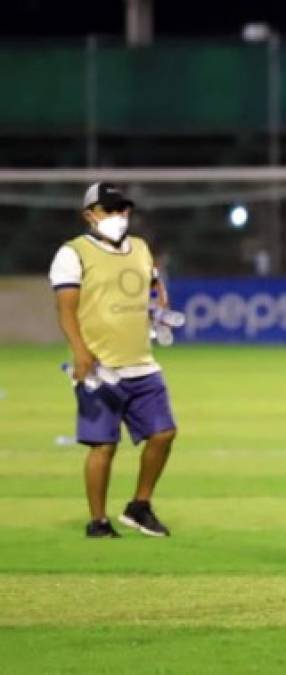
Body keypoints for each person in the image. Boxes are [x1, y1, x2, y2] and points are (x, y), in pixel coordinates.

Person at [48, 182, 178, 538]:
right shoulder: (72, 253)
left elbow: (155, 291)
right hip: (100, 367)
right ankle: (98, 522)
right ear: (90, 215)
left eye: (123, 209)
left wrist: (158, 313)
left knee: (164, 434)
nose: (119, 216)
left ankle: (139, 506)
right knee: (103, 446)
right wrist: (79, 352)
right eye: (110, 209)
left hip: (142, 362)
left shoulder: (141, 248)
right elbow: (66, 311)